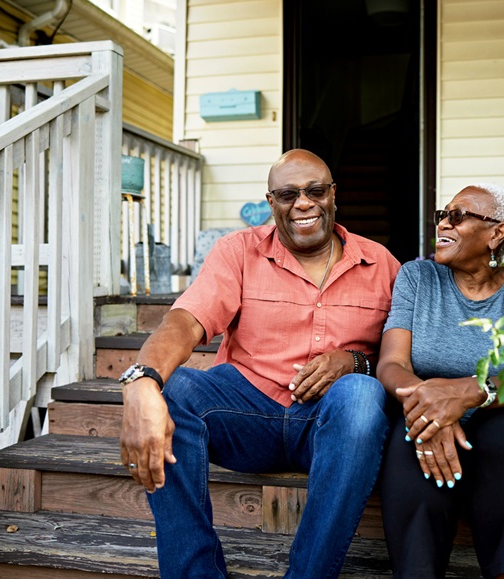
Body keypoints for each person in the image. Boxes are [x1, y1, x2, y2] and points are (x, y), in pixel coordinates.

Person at [118, 149, 401, 578]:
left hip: (328, 424)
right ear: (271, 203)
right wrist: (142, 381)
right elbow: (185, 320)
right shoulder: (238, 251)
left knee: (362, 395)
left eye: (315, 191)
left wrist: (354, 361)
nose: (303, 203)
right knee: (173, 390)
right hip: (245, 414)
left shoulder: (381, 264)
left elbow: (402, 355)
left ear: (333, 195)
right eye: (288, 194)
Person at [376, 183, 504, 579]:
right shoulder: (418, 277)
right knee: (411, 441)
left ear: (496, 233)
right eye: (443, 215)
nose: (444, 223)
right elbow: (391, 363)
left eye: (458, 216)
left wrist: (465, 393)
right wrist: (429, 406)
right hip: (426, 417)